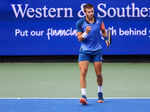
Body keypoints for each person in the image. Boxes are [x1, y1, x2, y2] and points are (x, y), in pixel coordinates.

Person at [76, 3, 110, 105]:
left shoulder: (99, 20)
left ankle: (100, 93)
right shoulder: (80, 23)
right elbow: (79, 38)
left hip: (97, 51)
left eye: (92, 11)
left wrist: (106, 38)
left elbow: (104, 31)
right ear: (85, 12)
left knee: (98, 74)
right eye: (89, 12)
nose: (91, 13)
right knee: (83, 72)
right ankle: (83, 96)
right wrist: (85, 32)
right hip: (84, 51)